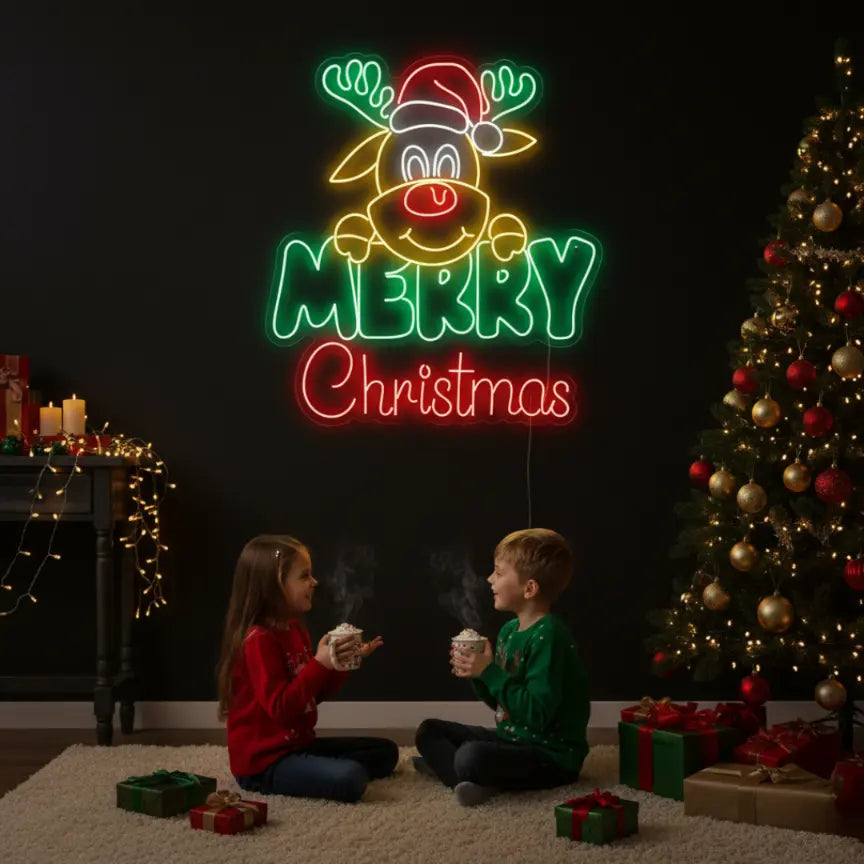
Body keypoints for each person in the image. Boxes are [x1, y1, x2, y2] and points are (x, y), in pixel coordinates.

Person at [415, 528, 590, 806]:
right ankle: (467, 776)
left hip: (550, 756)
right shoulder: (509, 631)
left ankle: (458, 772)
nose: (489, 579)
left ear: (529, 588)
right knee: (428, 731)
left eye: (498, 572)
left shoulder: (551, 637)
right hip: (512, 738)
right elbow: (502, 705)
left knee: (470, 755)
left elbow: (536, 714)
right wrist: (478, 674)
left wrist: (489, 671)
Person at [217, 534, 398, 802]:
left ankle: (317, 771)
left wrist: (339, 663)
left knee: (386, 752)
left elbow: (310, 697)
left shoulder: (295, 629)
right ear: (274, 584)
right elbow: (281, 708)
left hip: (298, 746)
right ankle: (319, 773)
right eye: (304, 576)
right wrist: (318, 663)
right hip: (265, 762)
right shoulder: (258, 640)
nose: (314, 582)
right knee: (351, 777)